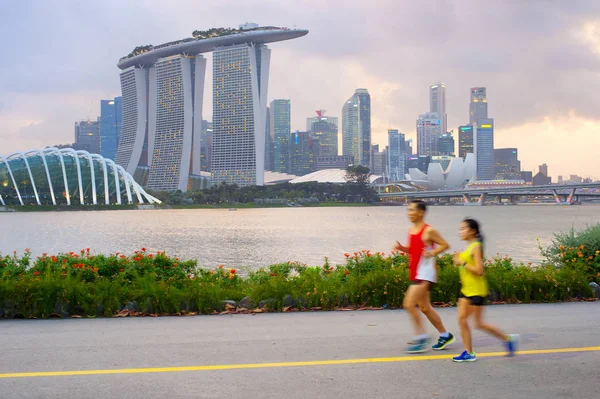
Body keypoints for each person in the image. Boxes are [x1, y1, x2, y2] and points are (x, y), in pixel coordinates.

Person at [452, 218, 519, 362]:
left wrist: (461, 262)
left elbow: (479, 270)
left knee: (478, 323)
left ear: (473, 231)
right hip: (467, 289)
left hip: (477, 291)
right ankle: (468, 353)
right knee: (462, 319)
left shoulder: (476, 247)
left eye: (463, 228)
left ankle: (508, 339)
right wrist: (459, 259)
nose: (460, 231)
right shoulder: (470, 247)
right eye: (460, 229)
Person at [393, 200, 454, 353]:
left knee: (408, 304)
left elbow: (445, 245)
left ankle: (422, 337)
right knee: (425, 307)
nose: (409, 213)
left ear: (421, 212)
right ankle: (445, 335)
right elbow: (414, 250)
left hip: (425, 273)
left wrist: (432, 253)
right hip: (416, 271)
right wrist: (402, 248)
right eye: (408, 210)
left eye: (412, 210)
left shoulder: (429, 231)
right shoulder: (411, 230)